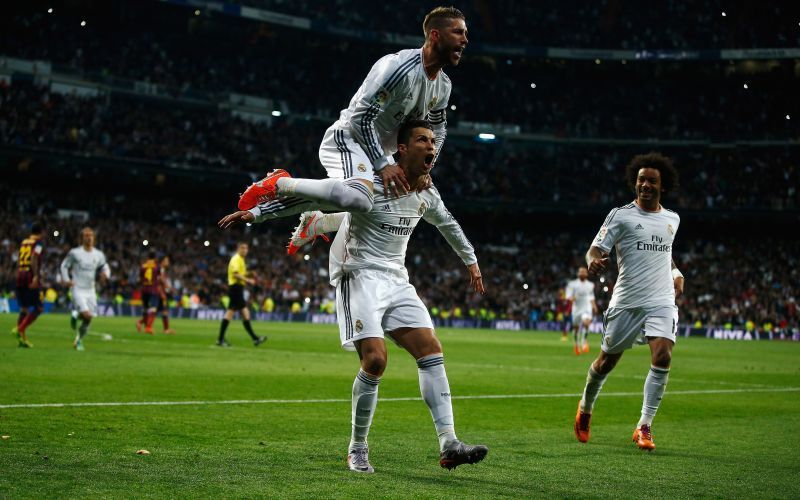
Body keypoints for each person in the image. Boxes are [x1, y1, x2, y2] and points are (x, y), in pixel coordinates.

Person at [223, 120, 489, 472]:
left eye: (432, 141)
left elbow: (448, 224)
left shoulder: (427, 191)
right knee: (375, 361)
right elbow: (312, 194)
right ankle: (357, 446)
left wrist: (471, 261)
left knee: (431, 350)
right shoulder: (371, 183)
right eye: (422, 140)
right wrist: (256, 213)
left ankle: (449, 442)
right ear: (402, 150)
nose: (431, 146)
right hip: (359, 274)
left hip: (397, 279)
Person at [234, 6, 468, 222]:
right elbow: (360, 118)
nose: (465, 40)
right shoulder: (398, 69)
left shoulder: (443, 86)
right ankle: (279, 183)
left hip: (378, 152)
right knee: (359, 200)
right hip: (349, 138)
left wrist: (426, 168)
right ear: (435, 35)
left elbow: (437, 130)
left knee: (375, 205)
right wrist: (382, 165)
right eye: (458, 32)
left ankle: (282, 214)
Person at [574, 152, 684, 451]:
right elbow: (595, 250)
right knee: (607, 360)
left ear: (663, 186)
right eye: (641, 180)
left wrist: (676, 273)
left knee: (663, 357)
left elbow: (665, 254)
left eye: (651, 181)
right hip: (627, 300)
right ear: (634, 183)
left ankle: (644, 426)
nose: (645, 185)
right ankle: (585, 408)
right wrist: (594, 262)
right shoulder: (620, 215)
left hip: (662, 299)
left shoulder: (672, 219)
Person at [60, 227, 111, 351]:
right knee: (87, 315)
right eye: (86, 235)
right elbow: (64, 266)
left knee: (88, 319)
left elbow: (105, 267)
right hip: (77, 289)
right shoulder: (75, 253)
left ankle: (78, 338)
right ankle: (78, 316)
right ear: (81, 238)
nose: (89, 238)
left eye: (91, 235)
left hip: (91, 290)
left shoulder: (98, 254)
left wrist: (106, 275)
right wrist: (66, 280)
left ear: (94, 238)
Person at [217, 242, 266, 347]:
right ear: (238, 249)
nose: (245, 250)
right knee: (243, 312)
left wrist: (249, 273)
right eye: (242, 248)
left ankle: (221, 339)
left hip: (237, 288)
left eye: (246, 248)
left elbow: (240, 274)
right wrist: (248, 280)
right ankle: (254, 338)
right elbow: (235, 274)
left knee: (235, 313)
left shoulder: (241, 260)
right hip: (235, 288)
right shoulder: (236, 259)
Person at [12, 223, 45, 348]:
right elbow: (34, 258)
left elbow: (21, 259)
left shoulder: (24, 242)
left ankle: (21, 340)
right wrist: (36, 276)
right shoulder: (38, 244)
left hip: (20, 274)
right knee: (39, 307)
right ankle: (19, 329)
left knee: (24, 309)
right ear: (40, 232)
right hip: (30, 275)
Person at [565, 267, 598, 355]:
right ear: (578, 274)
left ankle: (584, 341)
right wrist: (572, 298)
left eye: (584, 272)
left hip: (587, 308)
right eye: (581, 272)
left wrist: (594, 306)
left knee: (586, 323)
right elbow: (568, 297)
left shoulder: (590, 285)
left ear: (587, 274)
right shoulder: (572, 284)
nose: (582, 273)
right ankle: (576, 344)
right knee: (576, 329)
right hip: (576, 309)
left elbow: (591, 297)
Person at [136, 252, 160, 334]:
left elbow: (139, 279)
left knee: (145, 309)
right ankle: (148, 327)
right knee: (153, 308)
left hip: (144, 289)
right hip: (153, 289)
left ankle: (141, 322)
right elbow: (159, 277)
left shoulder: (143, 266)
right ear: (155, 258)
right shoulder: (156, 266)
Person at [157, 255, 176, 334]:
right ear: (162, 261)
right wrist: (168, 287)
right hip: (160, 292)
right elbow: (161, 279)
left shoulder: (161, 269)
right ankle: (166, 329)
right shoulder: (160, 269)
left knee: (158, 310)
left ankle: (141, 322)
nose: (168, 262)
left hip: (160, 292)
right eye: (166, 260)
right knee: (164, 310)